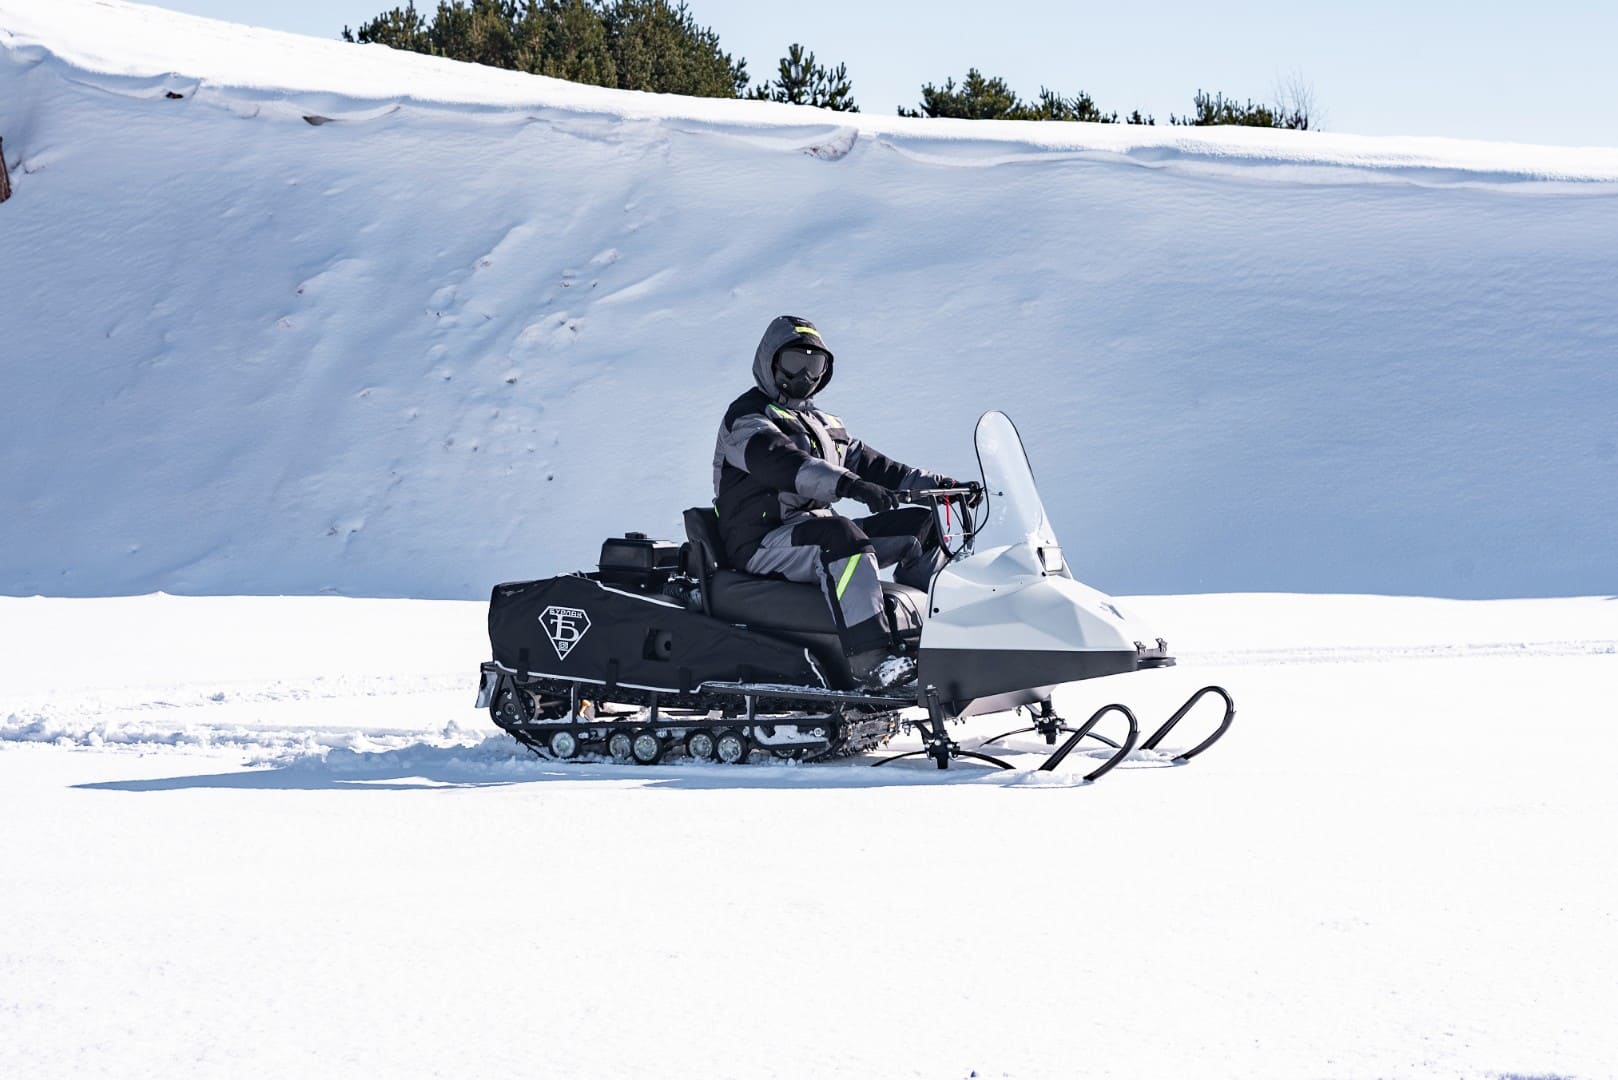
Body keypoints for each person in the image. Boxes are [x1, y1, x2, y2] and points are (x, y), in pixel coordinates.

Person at [711, 315, 968, 690]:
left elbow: (879, 467)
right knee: (841, 537)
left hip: (810, 531)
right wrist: (851, 485)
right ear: (769, 361)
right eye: (794, 362)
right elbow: (784, 464)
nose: (805, 375)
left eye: (815, 365)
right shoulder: (747, 418)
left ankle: (932, 639)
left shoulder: (822, 422)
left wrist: (941, 486)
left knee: (921, 527)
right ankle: (871, 660)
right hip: (761, 541)